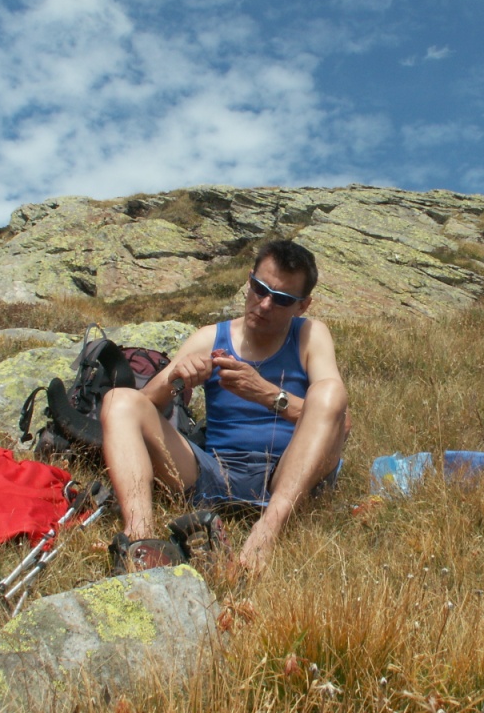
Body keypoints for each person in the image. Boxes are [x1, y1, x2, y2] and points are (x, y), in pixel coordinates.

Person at [100, 239, 349, 573]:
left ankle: (267, 530)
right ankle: (139, 537)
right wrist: (177, 377)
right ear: (249, 280)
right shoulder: (210, 337)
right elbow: (142, 406)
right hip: (214, 471)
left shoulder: (310, 335)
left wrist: (266, 395)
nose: (264, 304)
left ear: (302, 306)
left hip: (288, 475)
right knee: (118, 401)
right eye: (259, 289)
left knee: (330, 392)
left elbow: (340, 420)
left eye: (281, 299)